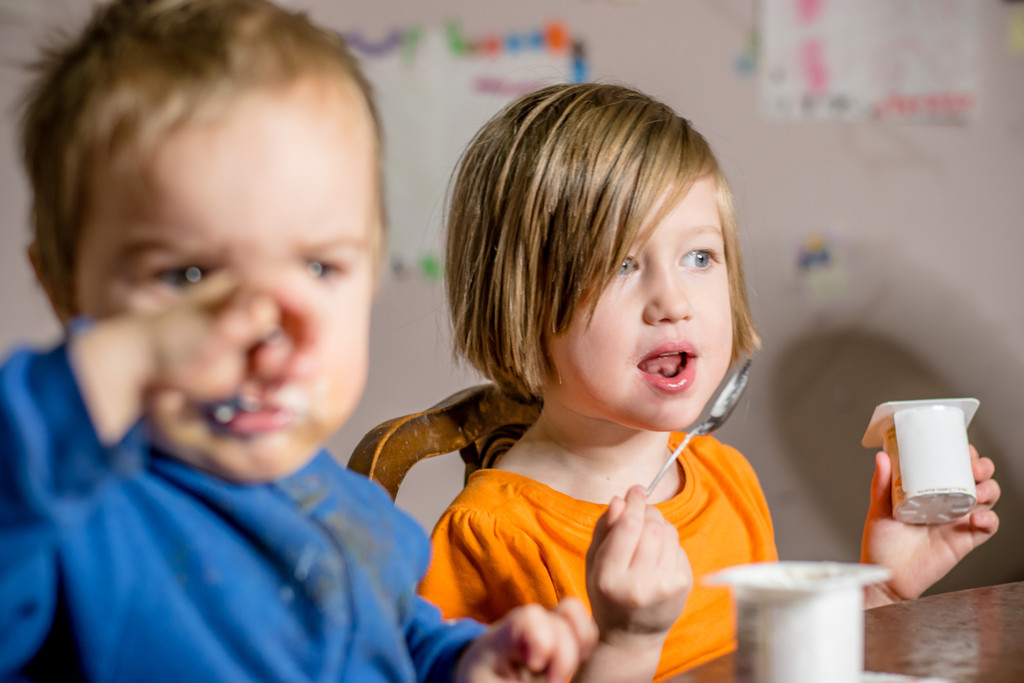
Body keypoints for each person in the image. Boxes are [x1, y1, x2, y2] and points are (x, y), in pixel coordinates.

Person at [0, 2, 599, 681]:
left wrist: (464, 660)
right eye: (189, 276)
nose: (264, 324)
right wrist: (99, 375)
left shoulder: (343, 502)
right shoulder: (67, 523)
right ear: (64, 288)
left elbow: (395, 634)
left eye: (319, 267)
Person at [418, 82, 1001, 682]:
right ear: (522, 301)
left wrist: (885, 590)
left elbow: (769, 667)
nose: (673, 302)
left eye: (699, 258)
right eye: (621, 263)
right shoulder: (489, 537)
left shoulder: (728, 480)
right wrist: (623, 645)